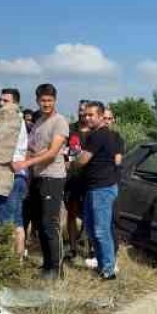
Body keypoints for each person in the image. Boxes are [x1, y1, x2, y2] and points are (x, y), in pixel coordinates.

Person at [11, 83, 69, 280]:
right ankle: (47, 265)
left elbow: (52, 153)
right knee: (40, 224)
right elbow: (33, 148)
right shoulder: (38, 122)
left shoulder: (60, 122)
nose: (46, 104)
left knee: (50, 224)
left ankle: (57, 270)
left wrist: (26, 162)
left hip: (52, 177)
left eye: (49, 100)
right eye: (43, 100)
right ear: (37, 100)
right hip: (37, 177)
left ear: (55, 100)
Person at [72, 101, 125, 280]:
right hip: (96, 187)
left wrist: (69, 162)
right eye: (85, 115)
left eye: (91, 115)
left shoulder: (99, 136)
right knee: (92, 227)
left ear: (101, 116)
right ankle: (103, 266)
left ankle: (108, 270)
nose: (87, 118)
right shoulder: (103, 135)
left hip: (102, 188)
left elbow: (83, 160)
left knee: (101, 230)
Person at [0, 88, 29, 260]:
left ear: (15, 104)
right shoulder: (18, 120)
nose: (1, 103)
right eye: (0, 100)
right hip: (19, 176)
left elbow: (4, 151)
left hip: (10, 176)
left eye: (5, 101)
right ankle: (18, 261)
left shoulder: (12, 122)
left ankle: (5, 262)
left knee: (5, 222)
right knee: (17, 221)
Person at [64, 100, 90, 260]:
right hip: (72, 179)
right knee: (71, 214)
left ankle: (89, 249)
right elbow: (63, 150)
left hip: (90, 180)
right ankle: (73, 248)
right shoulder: (70, 129)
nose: (83, 114)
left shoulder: (96, 131)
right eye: (80, 110)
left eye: (86, 111)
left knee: (89, 215)